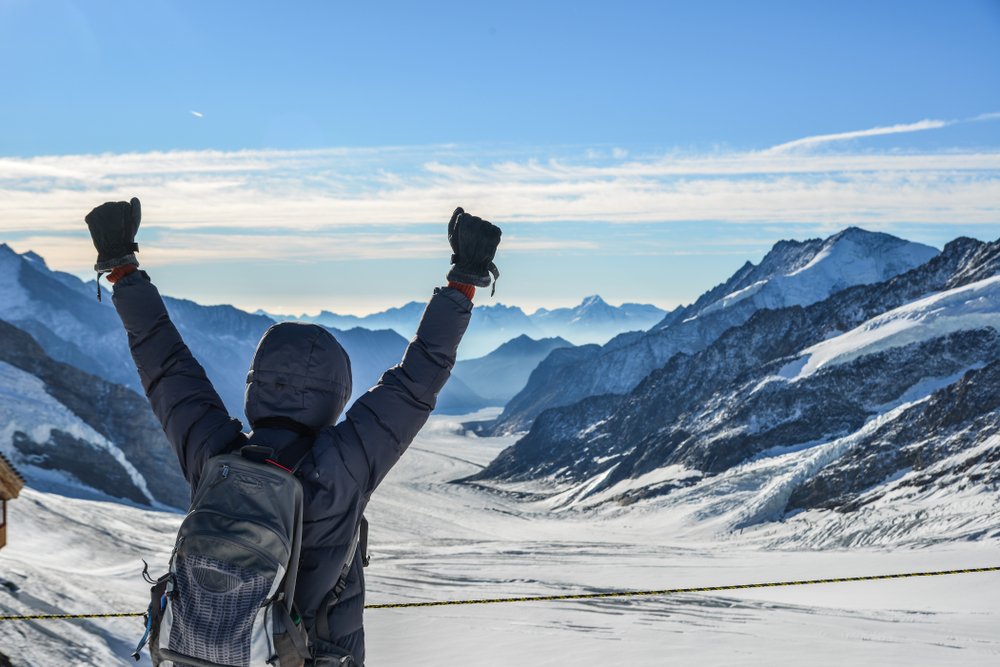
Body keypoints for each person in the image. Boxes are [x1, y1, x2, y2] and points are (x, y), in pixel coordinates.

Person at [85, 198, 501, 666]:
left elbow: (165, 365)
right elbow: (418, 378)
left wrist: (122, 270)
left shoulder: (215, 458)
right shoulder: (343, 465)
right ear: (335, 394)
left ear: (255, 384)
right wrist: (464, 280)